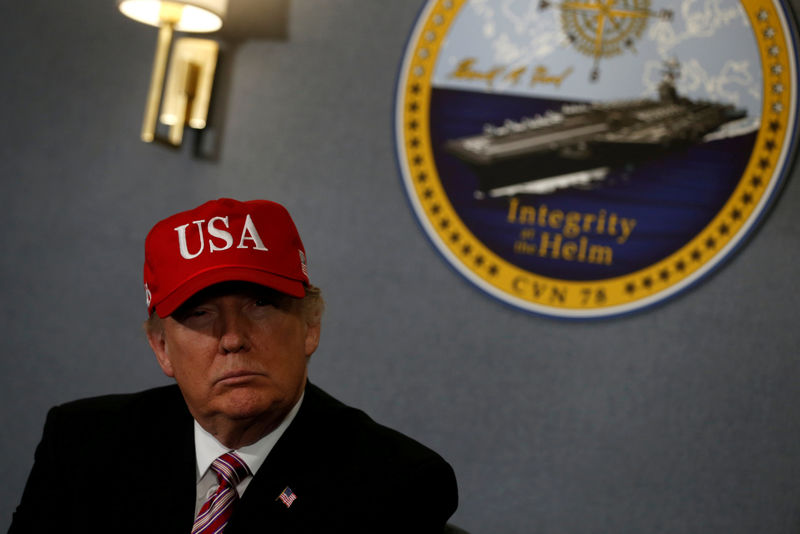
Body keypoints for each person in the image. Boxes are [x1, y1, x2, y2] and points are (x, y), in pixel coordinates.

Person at [9, 198, 458, 534]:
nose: (233, 338)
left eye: (260, 305)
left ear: (310, 326)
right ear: (161, 347)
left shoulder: (397, 483)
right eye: (200, 313)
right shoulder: (82, 444)